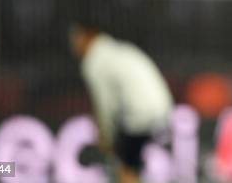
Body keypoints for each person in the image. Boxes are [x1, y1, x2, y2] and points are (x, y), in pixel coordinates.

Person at [69, 22, 173, 183]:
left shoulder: (95, 61)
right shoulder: (118, 50)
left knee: (126, 168)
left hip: (139, 114)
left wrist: (106, 138)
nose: (74, 44)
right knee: (131, 163)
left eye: (77, 37)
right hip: (162, 109)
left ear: (89, 36)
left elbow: (105, 106)